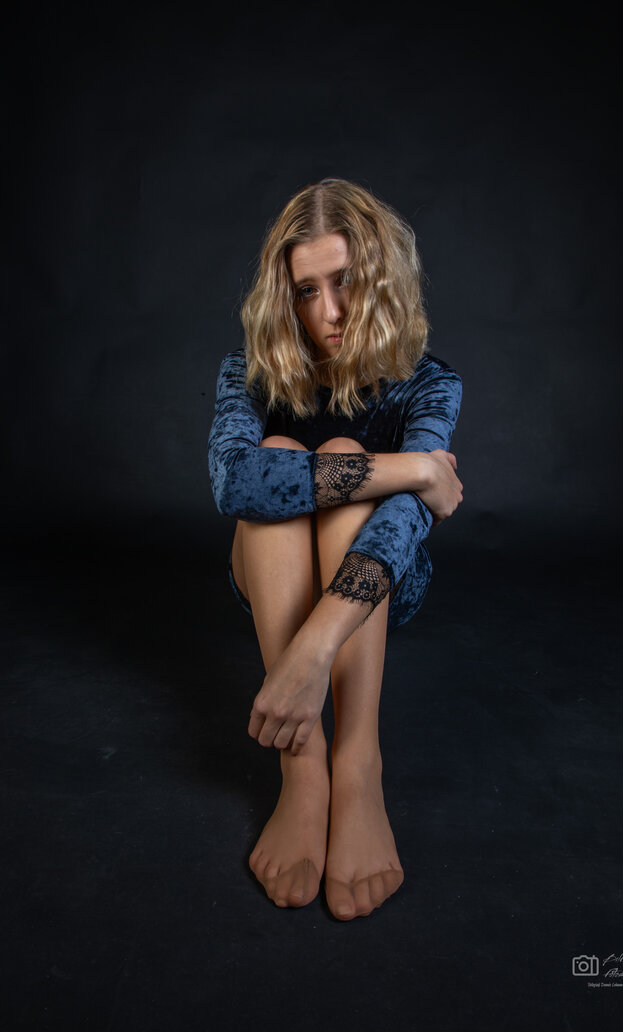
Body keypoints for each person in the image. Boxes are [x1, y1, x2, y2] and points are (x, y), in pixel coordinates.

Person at [208, 178, 463, 921]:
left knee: (346, 453)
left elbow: (406, 522)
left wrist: (315, 647)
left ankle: (356, 763)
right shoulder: (249, 373)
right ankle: (304, 766)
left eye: (346, 281)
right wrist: (415, 469)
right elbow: (235, 482)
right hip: (269, 575)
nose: (330, 312)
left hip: (383, 586)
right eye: (307, 290)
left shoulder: (428, 385)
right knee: (278, 457)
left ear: (382, 275)